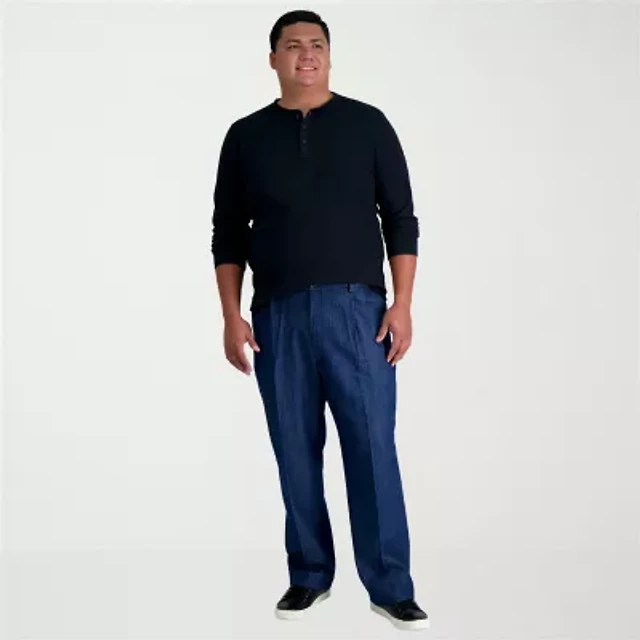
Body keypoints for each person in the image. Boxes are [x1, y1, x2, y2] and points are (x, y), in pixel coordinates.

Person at [211, 9, 429, 632]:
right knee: (294, 449)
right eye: (292, 45)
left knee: (371, 447)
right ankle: (309, 575)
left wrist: (402, 302)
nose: (305, 53)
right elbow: (227, 232)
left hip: (358, 311)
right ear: (273, 59)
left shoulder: (367, 125)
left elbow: (401, 218)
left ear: (329, 56)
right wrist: (231, 315)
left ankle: (390, 586)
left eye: (316, 44)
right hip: (277, 314)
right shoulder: (246, 136)